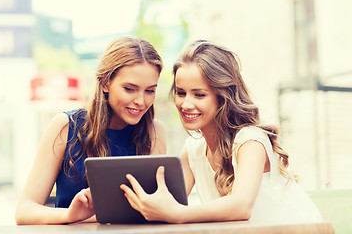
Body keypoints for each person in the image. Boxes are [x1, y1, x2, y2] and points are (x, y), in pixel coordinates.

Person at [120, 40, 323, 223]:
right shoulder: (192, 151)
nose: (186, 104)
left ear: (223, 96)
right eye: (181, 93)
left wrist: (179, 214)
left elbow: (241, 206)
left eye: (199, 95)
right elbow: (161, 203)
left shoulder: (250, 141)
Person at [15, 36, 167, 225]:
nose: (141, 101)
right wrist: (69, 215)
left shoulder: (155, 131)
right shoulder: (65, 126)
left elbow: (157, 210)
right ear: (105, 83)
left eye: (150, 91)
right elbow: (24, 211)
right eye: (130, 89)